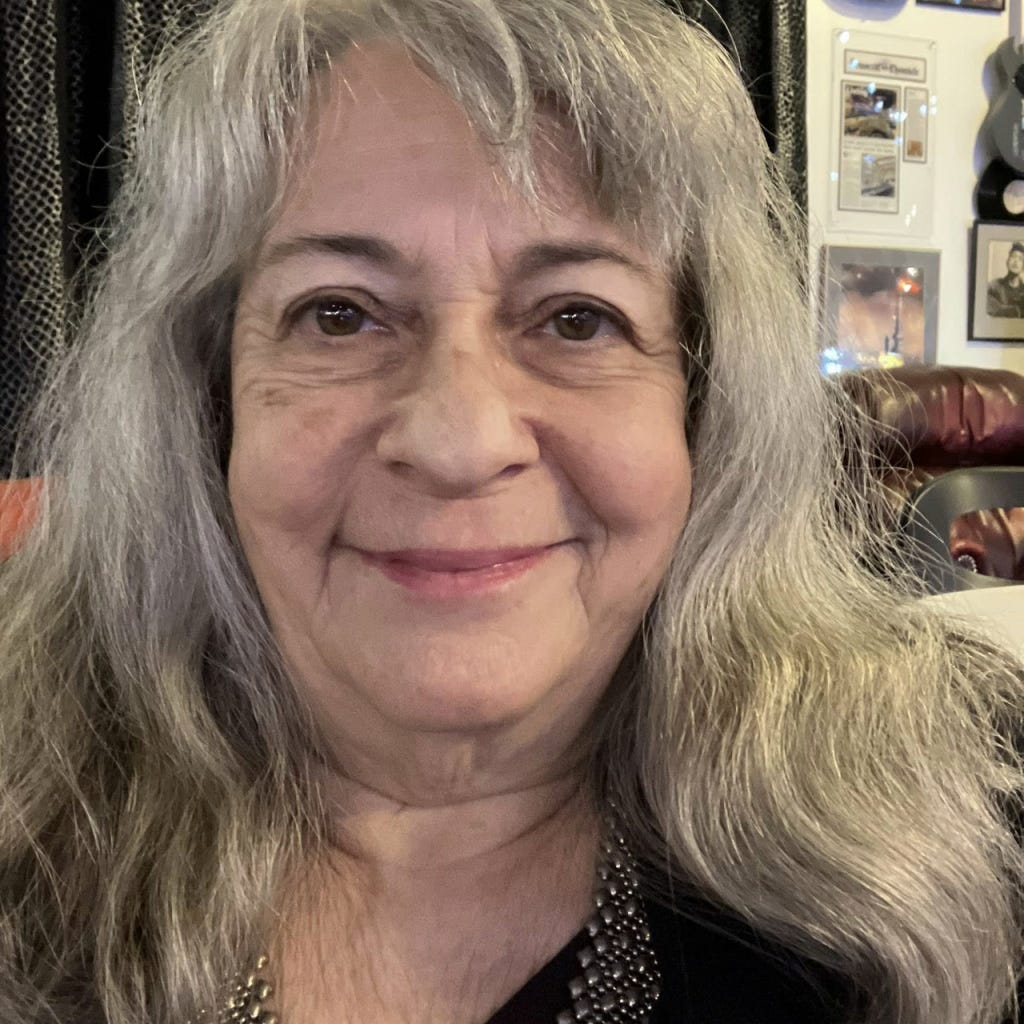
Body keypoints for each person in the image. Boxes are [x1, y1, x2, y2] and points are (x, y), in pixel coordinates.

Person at [2, 2, 1023, 1022]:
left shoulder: (968, 820)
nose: (459, 439)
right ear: (209, 402)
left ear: (703, 410)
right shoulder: (27, 826)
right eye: (339, 314)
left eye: (577, 319)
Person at [987, 241, 1024, 318]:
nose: (1016, 261)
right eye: (1013, 256)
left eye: (1020, 259)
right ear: (1007, 261)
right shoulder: (993, 287)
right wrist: (1016, 310)